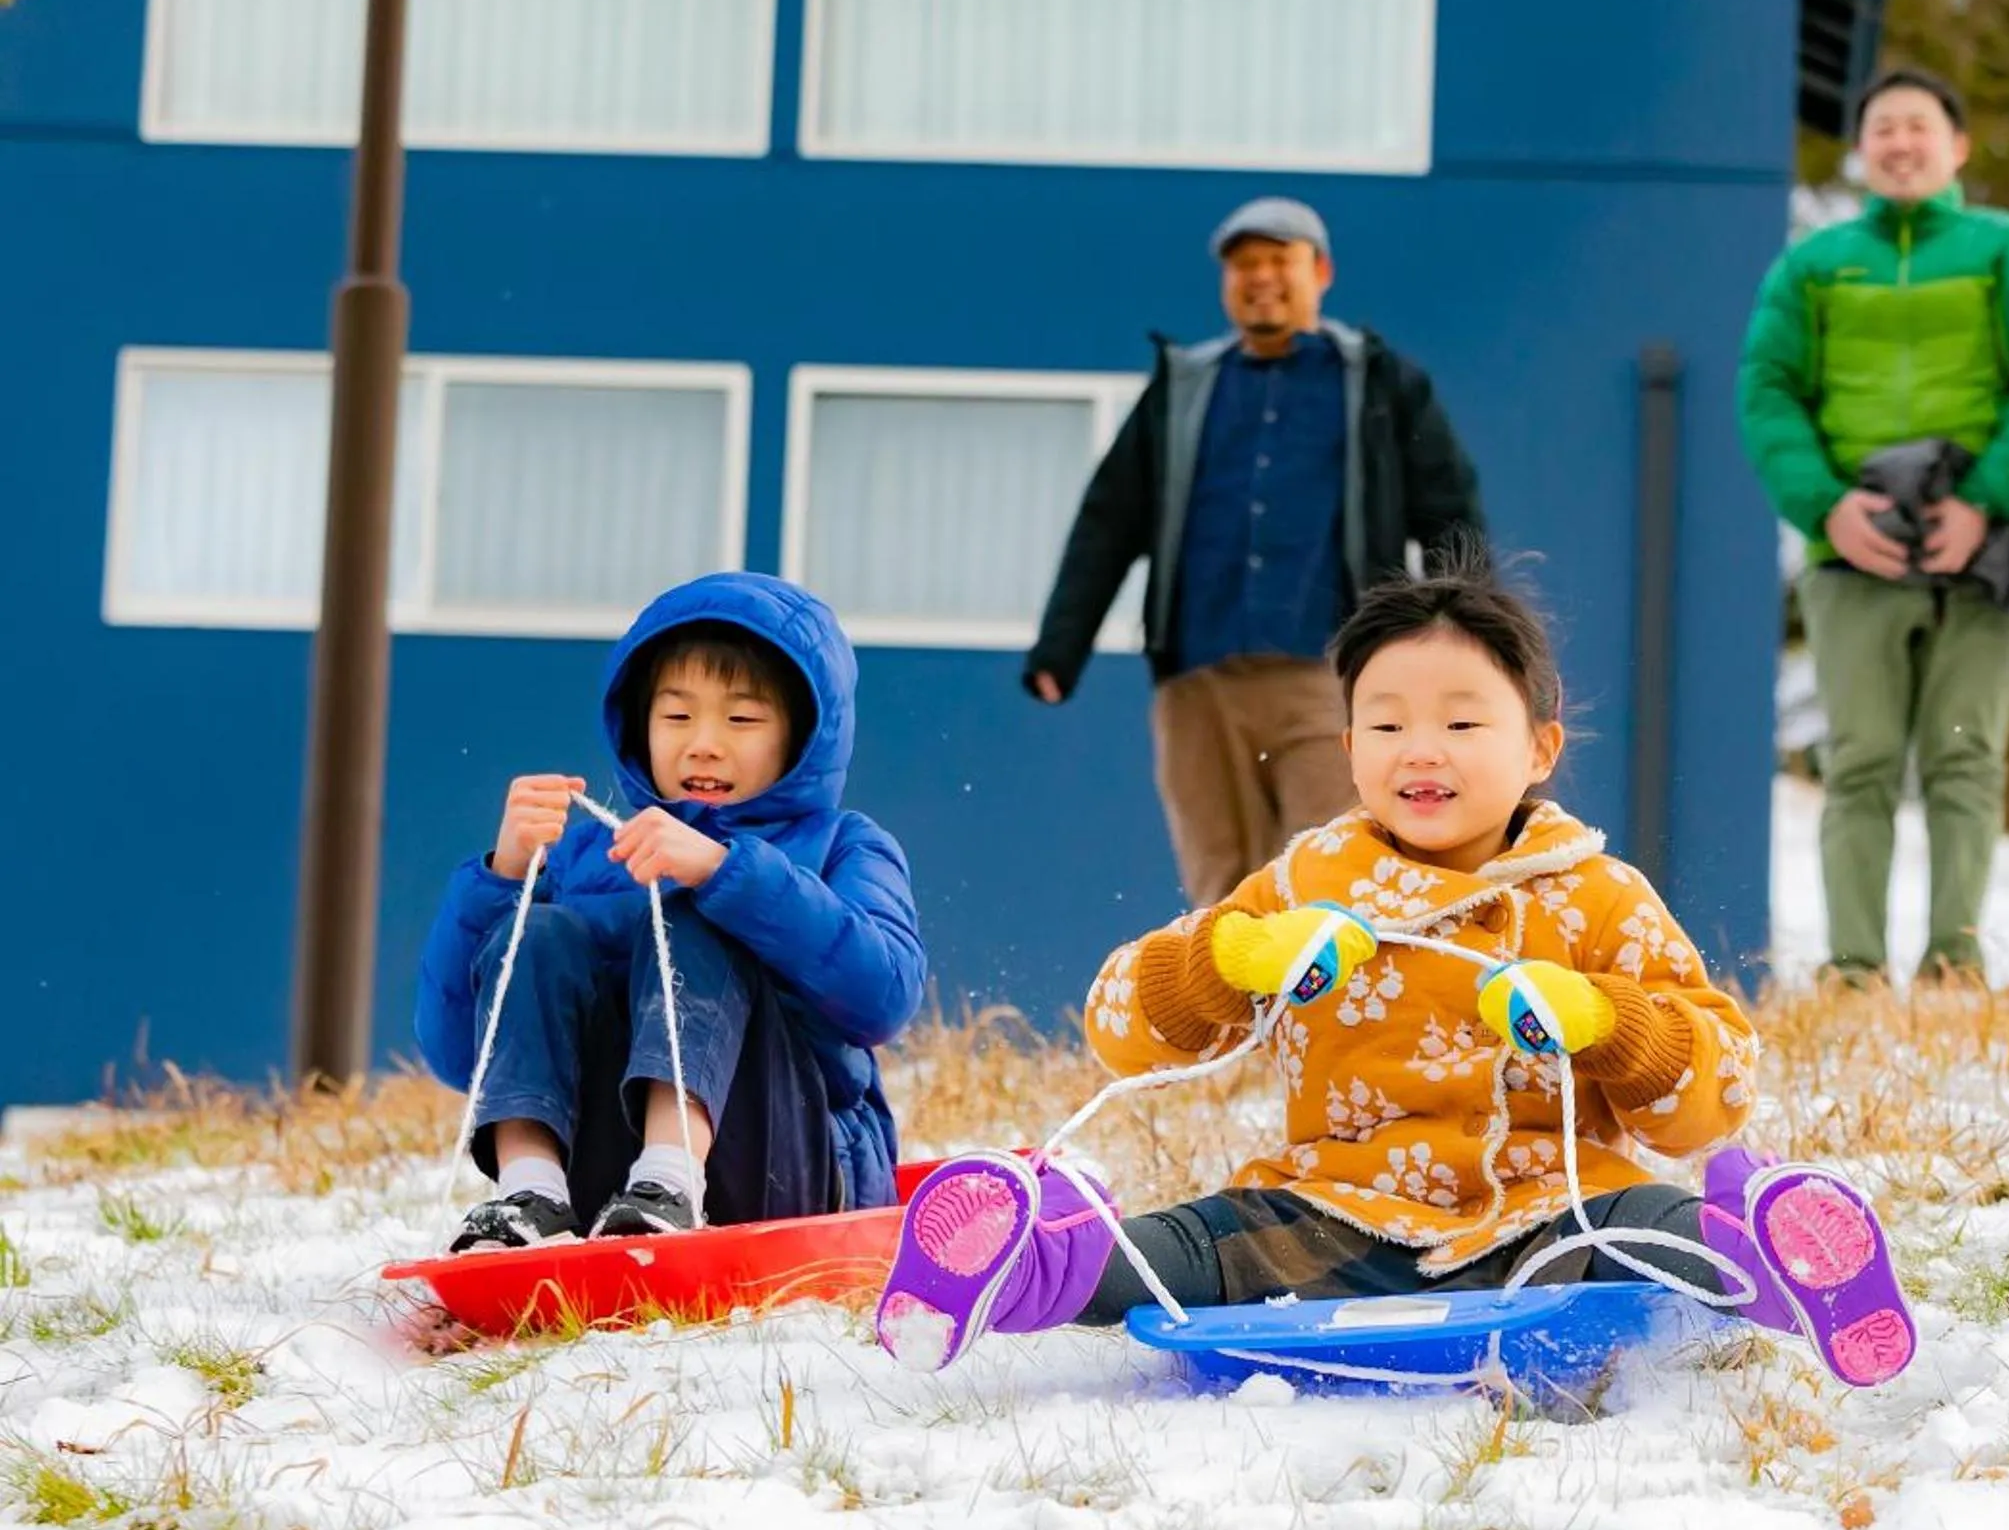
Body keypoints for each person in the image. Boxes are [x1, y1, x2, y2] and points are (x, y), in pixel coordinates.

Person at [877, 568, 1919, 1389]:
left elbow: (1717, 1088)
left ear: (1541, 746)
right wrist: (1228, 962)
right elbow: (1120, 1029)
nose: (1422, 749)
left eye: (1463, 723)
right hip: (1334, 1214)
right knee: (1190, 1249)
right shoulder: (1311, 881)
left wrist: (1608, 1020)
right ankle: (1019, 1260)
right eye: (1386, 724)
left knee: (1650, 1230)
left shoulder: (1597, 896)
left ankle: (1786, 1265)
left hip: (1553, 1218)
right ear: (1347, 745)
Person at [415, 573, 926, 1250]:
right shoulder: (587, 853)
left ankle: (672, 1175)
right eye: (677, 716)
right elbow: (459, 1057)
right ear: (640, 726)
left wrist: (726, 870)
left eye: (741, 719)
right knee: (539, 935)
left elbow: (883, 999)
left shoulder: (844, 844)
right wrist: (505, 876)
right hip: (600, 1187)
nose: (704, 743)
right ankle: (530, 1194)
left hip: (779, 1166)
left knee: (696, 917)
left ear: (803, 735)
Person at [1026, 196, 1488, 907]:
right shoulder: (1183, 390)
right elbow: (1109, 521)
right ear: (1226, 283)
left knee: (1327, 871)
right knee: (1220, 884)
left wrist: (1470, 644)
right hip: (1198, 685)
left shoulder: (1378, 383)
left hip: (1328, 676)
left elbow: (1447, 507)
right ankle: (1235, 1022)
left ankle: (1327, 1017)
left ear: (1321, 271)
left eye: (1280, 260)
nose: (1261, 277)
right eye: (1245, 264)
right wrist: (1061, 649)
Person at [1738, 67, 2009, 985]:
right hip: (1851, 551)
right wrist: (1826, 507)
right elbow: (1768, 390)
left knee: (1965, 758)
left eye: (1918, 126)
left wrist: (1988, 499)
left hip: (1985, 548)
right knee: (1857, 760)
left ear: (1958, 147)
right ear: (1863, 150)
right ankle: (1852, 968)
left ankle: (1953, 965)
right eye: (1882, 128)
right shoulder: (1811, 267)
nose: (1899, 143)